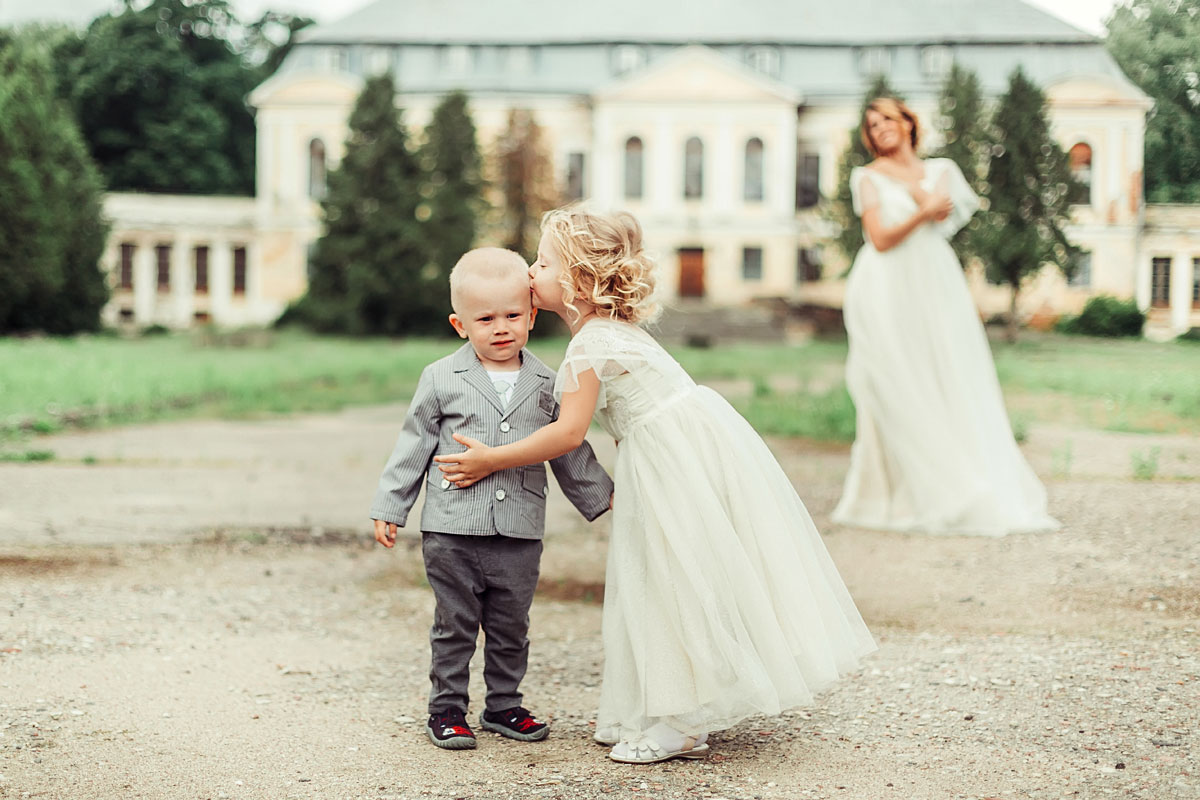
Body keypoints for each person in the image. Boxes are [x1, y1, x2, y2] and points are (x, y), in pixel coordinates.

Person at [433, 209, 876, 764]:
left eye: (542, 262)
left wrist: (493, 459)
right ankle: (673, 710)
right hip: (681, 450)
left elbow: (567, 434)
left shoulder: (589, 345)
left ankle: (681, 723)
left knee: (669, 582)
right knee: (673, 577)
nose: (529, 271)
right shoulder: (607, 332)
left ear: (573, 281)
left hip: (670, 462)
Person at [370, 247, 614, 751]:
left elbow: (569, 447)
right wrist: (391, 505)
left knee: (510, 625)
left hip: (520, 530)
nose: (501, 328)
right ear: (461, 324)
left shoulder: (548, 381)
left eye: (512, 316)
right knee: (455, 623)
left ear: (531, 315)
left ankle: (504, 705)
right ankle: (447, 710)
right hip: (452, 527)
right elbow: (413, 443)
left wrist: (603, 498)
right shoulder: (440, 377)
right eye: (486, 319)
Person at [831, 97, 1059, 536]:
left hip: (934, 281)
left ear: (908, 122)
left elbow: (949, 218)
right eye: (872, 125)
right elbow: (878, 239)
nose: (880, 128)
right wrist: (920, 211)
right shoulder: (867, 178)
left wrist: (928, 206)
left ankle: (963, 474)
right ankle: (892, 497)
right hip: (884, 286)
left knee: (946, 371)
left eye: (887, 119)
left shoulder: (942, 171)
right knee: (894, 378)